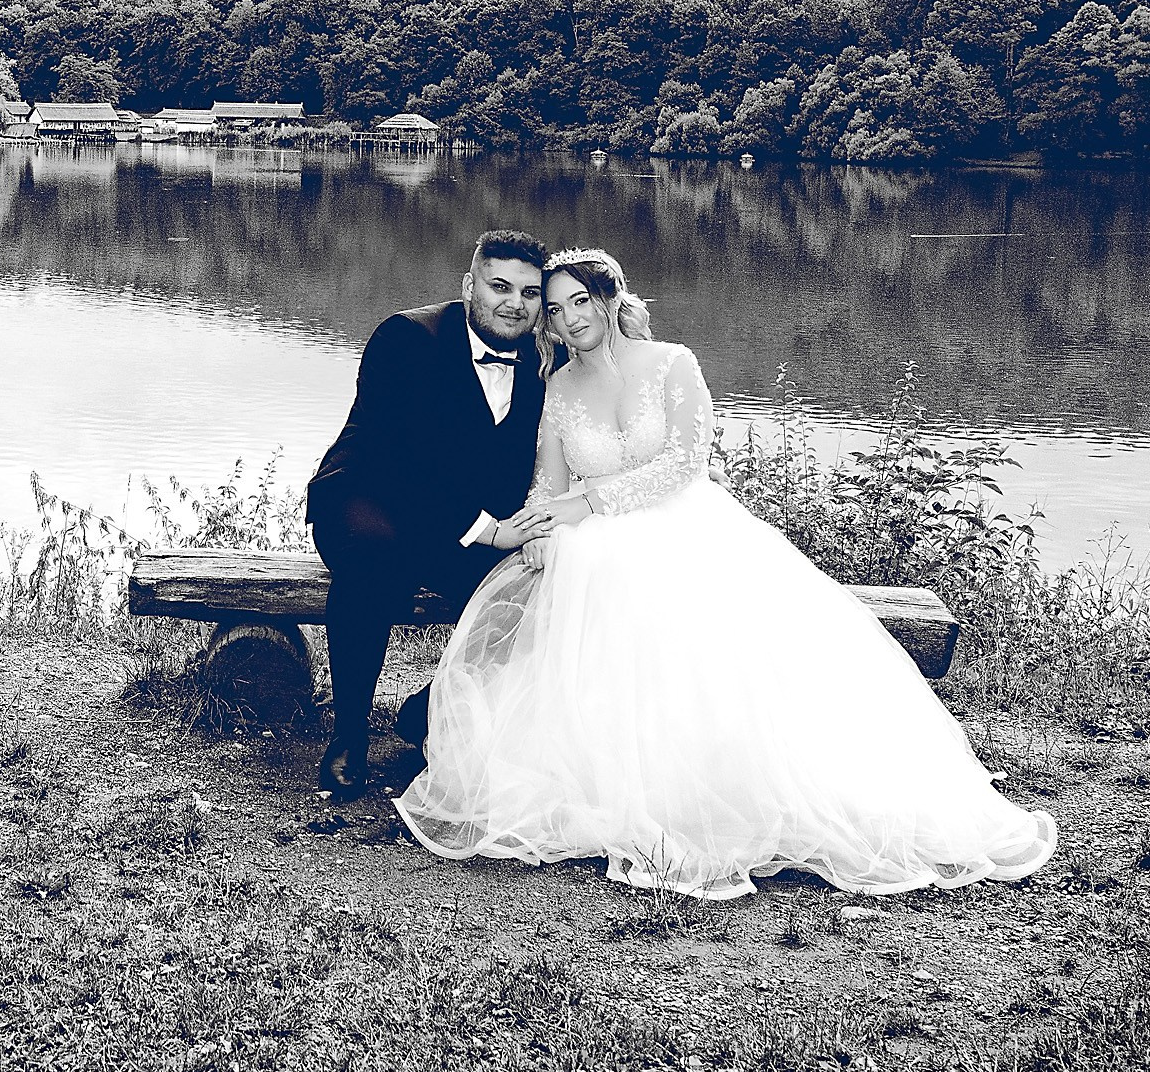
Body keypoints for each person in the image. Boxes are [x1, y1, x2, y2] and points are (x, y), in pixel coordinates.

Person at [392, 247, 1056, 897]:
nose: (569, 320)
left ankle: (726, 787)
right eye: (556, 310)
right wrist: (537, 528)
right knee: (586, 585)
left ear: (611, 299)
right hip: (592, 545)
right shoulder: (558, 387)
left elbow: (684, 463)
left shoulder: (672, 364)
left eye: (580, 302)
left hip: (688, 530)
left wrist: (590, 501)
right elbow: (550, 479)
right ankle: (620, 785)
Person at [306, 230, 558, 800]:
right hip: (369, 495)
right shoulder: (407, 338)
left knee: (543, 584)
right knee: (374, 558)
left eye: (529, 292)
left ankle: (426, 710)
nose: (514, 303)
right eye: (499, 287)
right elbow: (399, 461)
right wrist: (488, 530)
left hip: (467, 521)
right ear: (469, 287)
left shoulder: (546, 359)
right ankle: (349, 737)